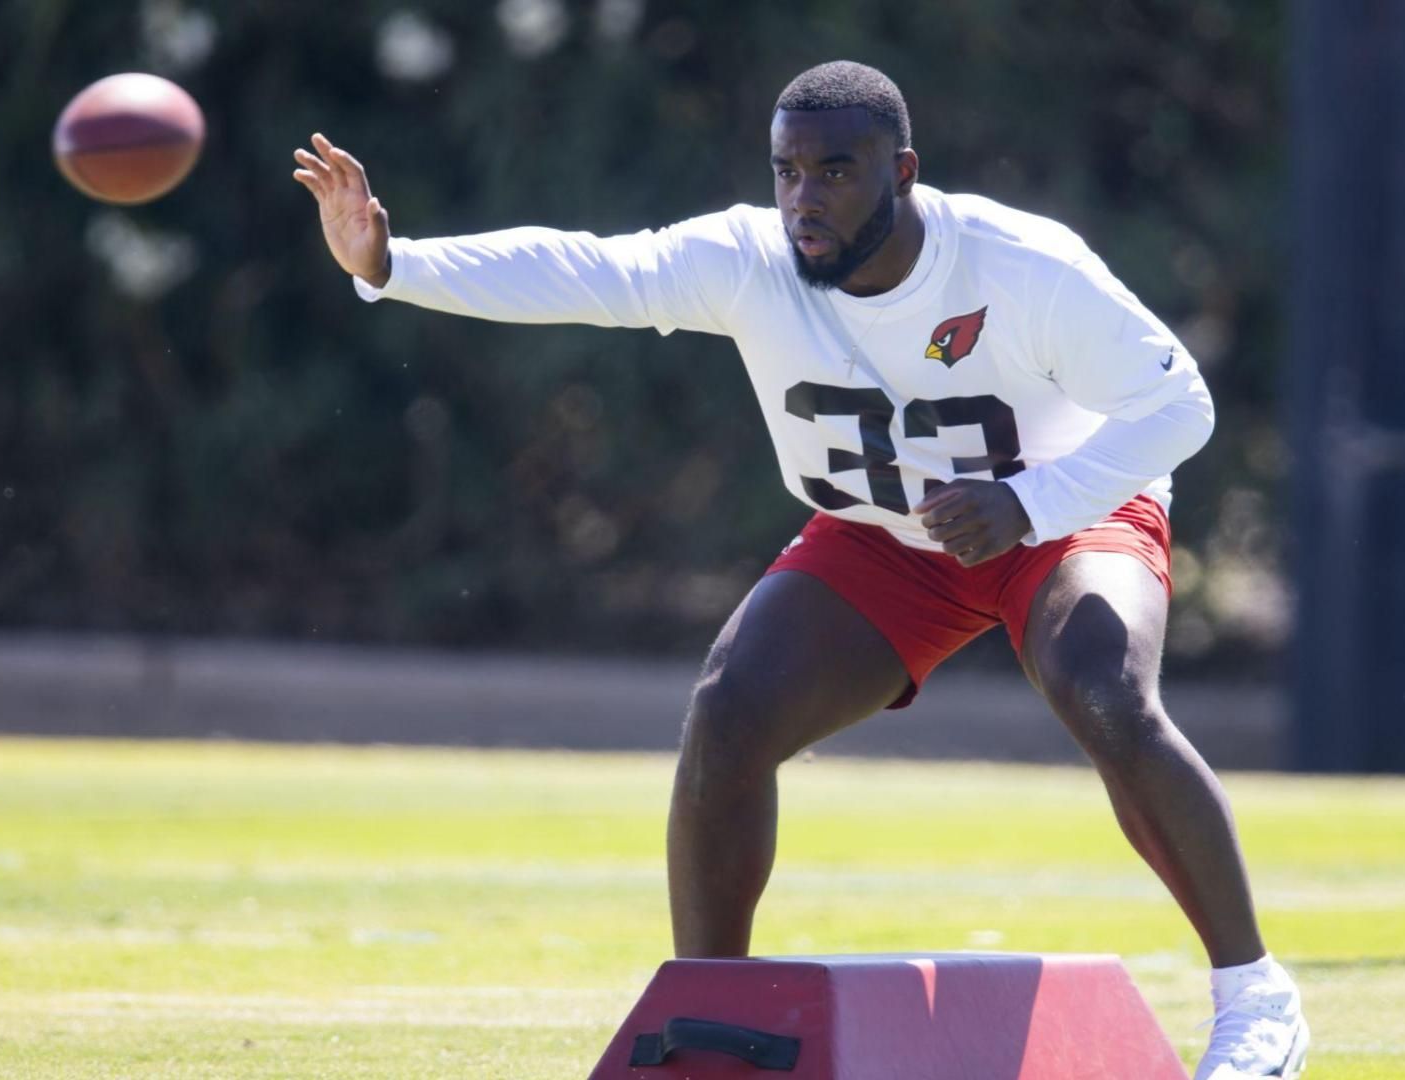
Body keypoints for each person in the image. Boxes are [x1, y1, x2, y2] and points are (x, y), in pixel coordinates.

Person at [293, 61, 1308, 1077]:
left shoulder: (1018, 263)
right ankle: (710, 1027)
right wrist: (391, 260)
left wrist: (1029, 504)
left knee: (1104, 690)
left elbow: (1182, 411)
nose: (803, 201)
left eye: (835, 172)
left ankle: (1254, 998)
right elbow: (591, 272)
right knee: (729, 715)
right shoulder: (750, 257)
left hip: (1058, 508)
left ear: (901, 170)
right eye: (787, 172)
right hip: (883, 534)